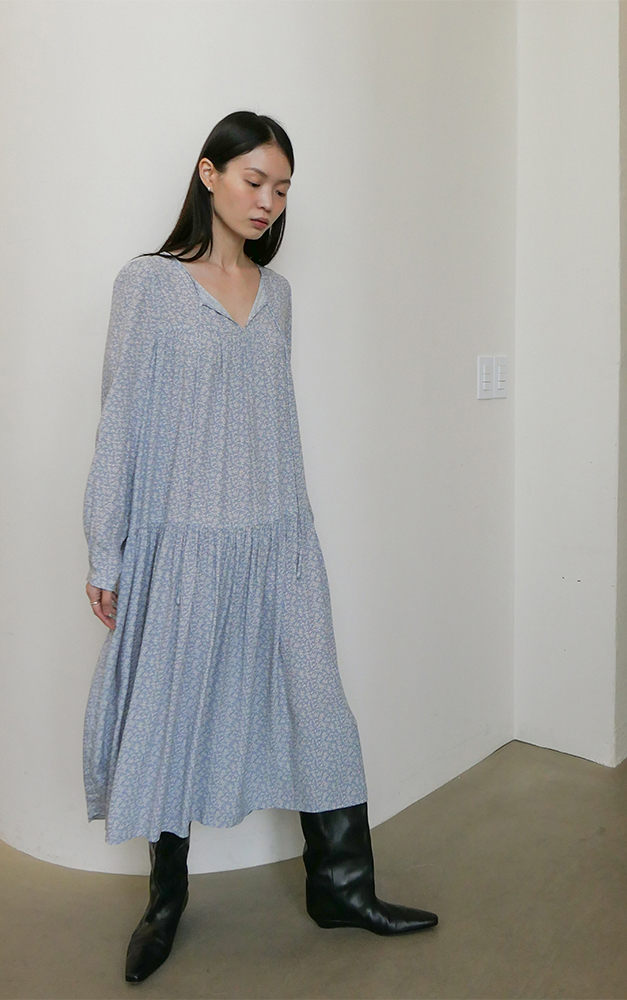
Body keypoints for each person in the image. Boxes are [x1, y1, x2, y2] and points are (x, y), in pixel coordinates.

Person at [82, 110, 438, 984]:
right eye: (254, 181)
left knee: (319, 705)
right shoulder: (148, 284)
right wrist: (106, 551)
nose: (268, 202)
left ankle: (343, 888)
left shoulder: (277, 295)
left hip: (279, 537)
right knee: (172, 713)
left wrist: (296, 529)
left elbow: (275, 419)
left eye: (281, 189)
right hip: (184, 543)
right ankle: (166, 903)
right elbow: (119, 422)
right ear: (209, 174)